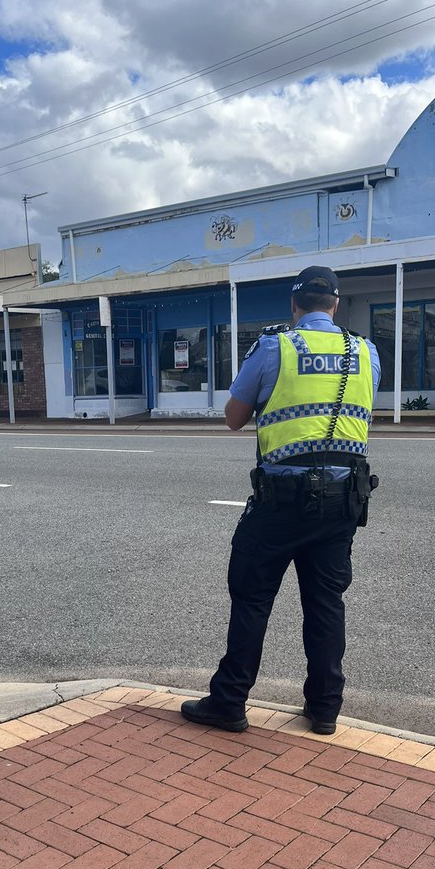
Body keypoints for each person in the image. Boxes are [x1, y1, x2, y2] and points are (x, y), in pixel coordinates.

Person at [181, 264, 381, 736]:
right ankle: (326, 709)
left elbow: (233, 418)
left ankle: (229, 702)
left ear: (294, 305)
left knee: (252, 599)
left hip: (281, 500)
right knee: (326, 604)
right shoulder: (365, 351)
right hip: (343, 500)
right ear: (335, 305)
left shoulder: (276, 346)